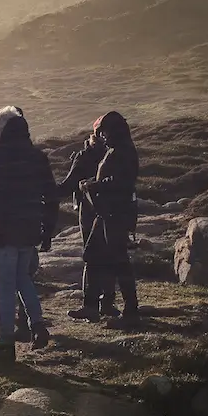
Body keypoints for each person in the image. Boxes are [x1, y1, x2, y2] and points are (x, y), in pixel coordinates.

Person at [0, 106, 58, 361]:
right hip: (29, 230)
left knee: (6, 287)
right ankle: (38, 325)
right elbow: (50, 196)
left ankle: (6, 343)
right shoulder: (37, 156)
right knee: (22, 279)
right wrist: (47, 232)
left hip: (4, 232)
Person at [67, 112, 141, 325]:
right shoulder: (117, 150)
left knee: (119, 261)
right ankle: (91, 306)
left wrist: (94, 186)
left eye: (105, 132)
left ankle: (131, 310)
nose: (102, 137)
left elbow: (121, 182)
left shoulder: (124, 152)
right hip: (106, 212)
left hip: (116, 213)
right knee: (92, 255)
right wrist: (93, 182)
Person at [60, 126, 122, 321]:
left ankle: (90, 305)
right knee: (109, 256)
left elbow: (69, 184)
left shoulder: (85, 156)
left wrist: (44, 195)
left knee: (91, 256)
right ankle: (108, 303)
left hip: (89, 212)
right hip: (113, 211)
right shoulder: (116, 154)